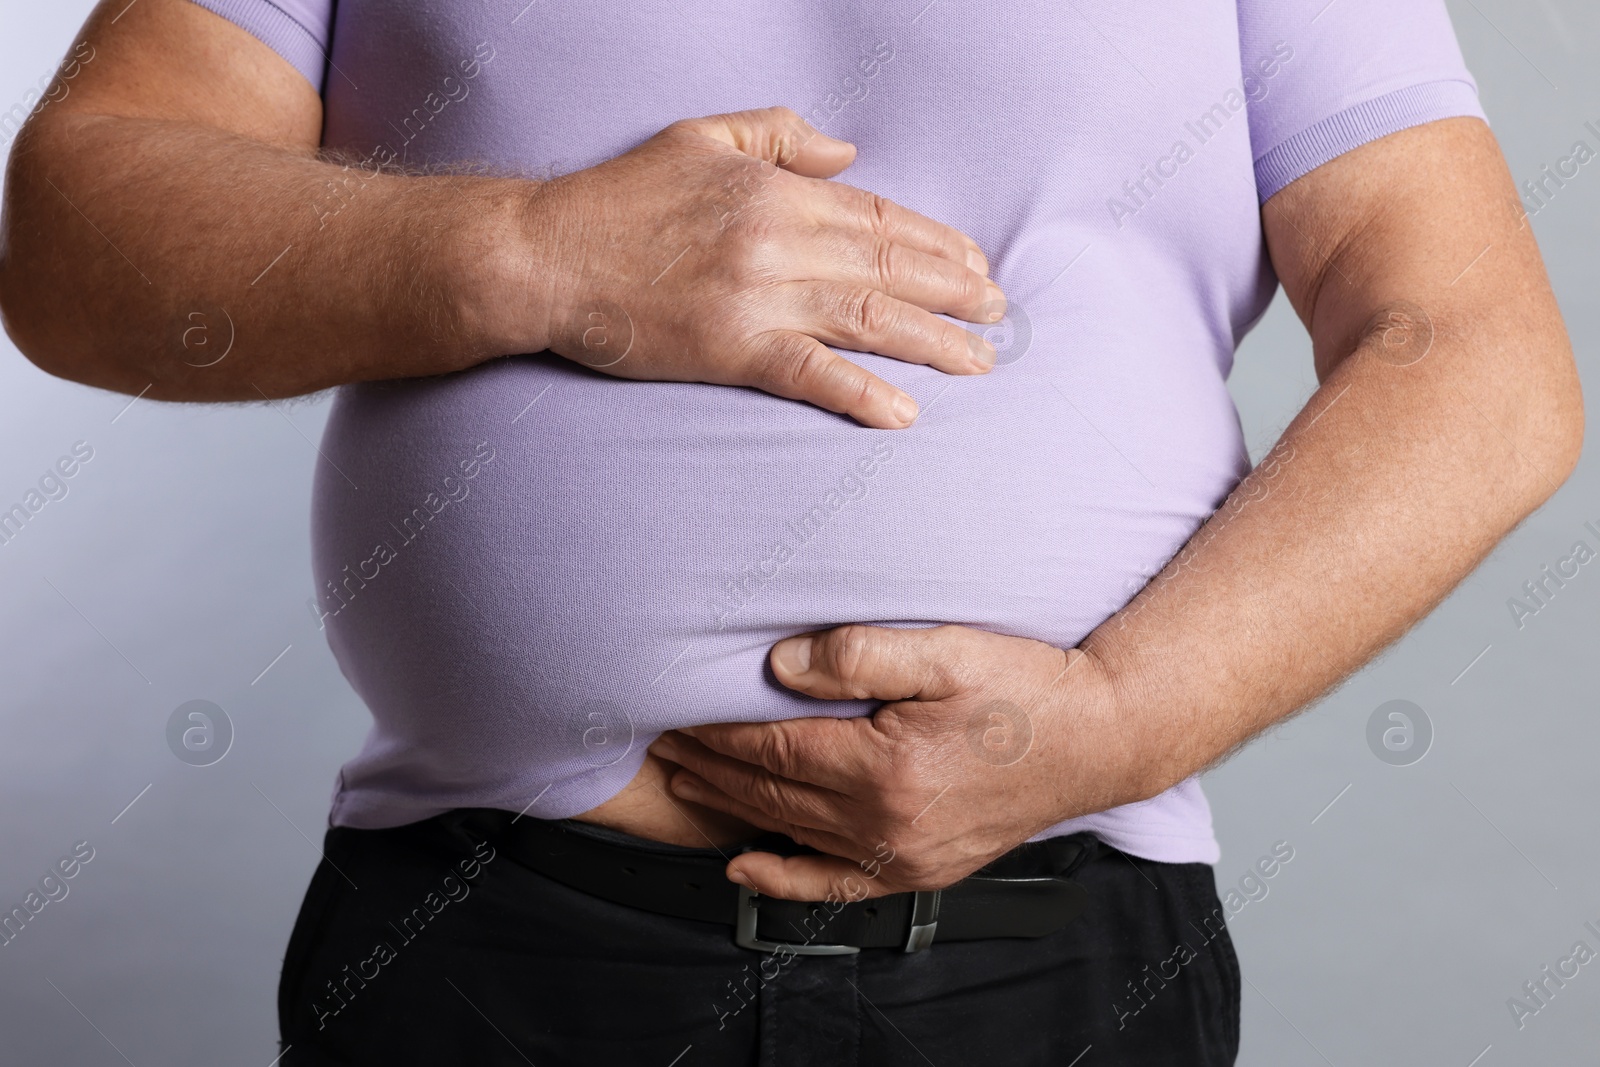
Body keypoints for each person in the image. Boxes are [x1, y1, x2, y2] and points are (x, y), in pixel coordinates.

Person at [0, 0, 1582, 1063]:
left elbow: (1477, 356)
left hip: (1052, 946)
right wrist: (533, 254)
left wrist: (1118, 721)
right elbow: (75, 236)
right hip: (490, 944)